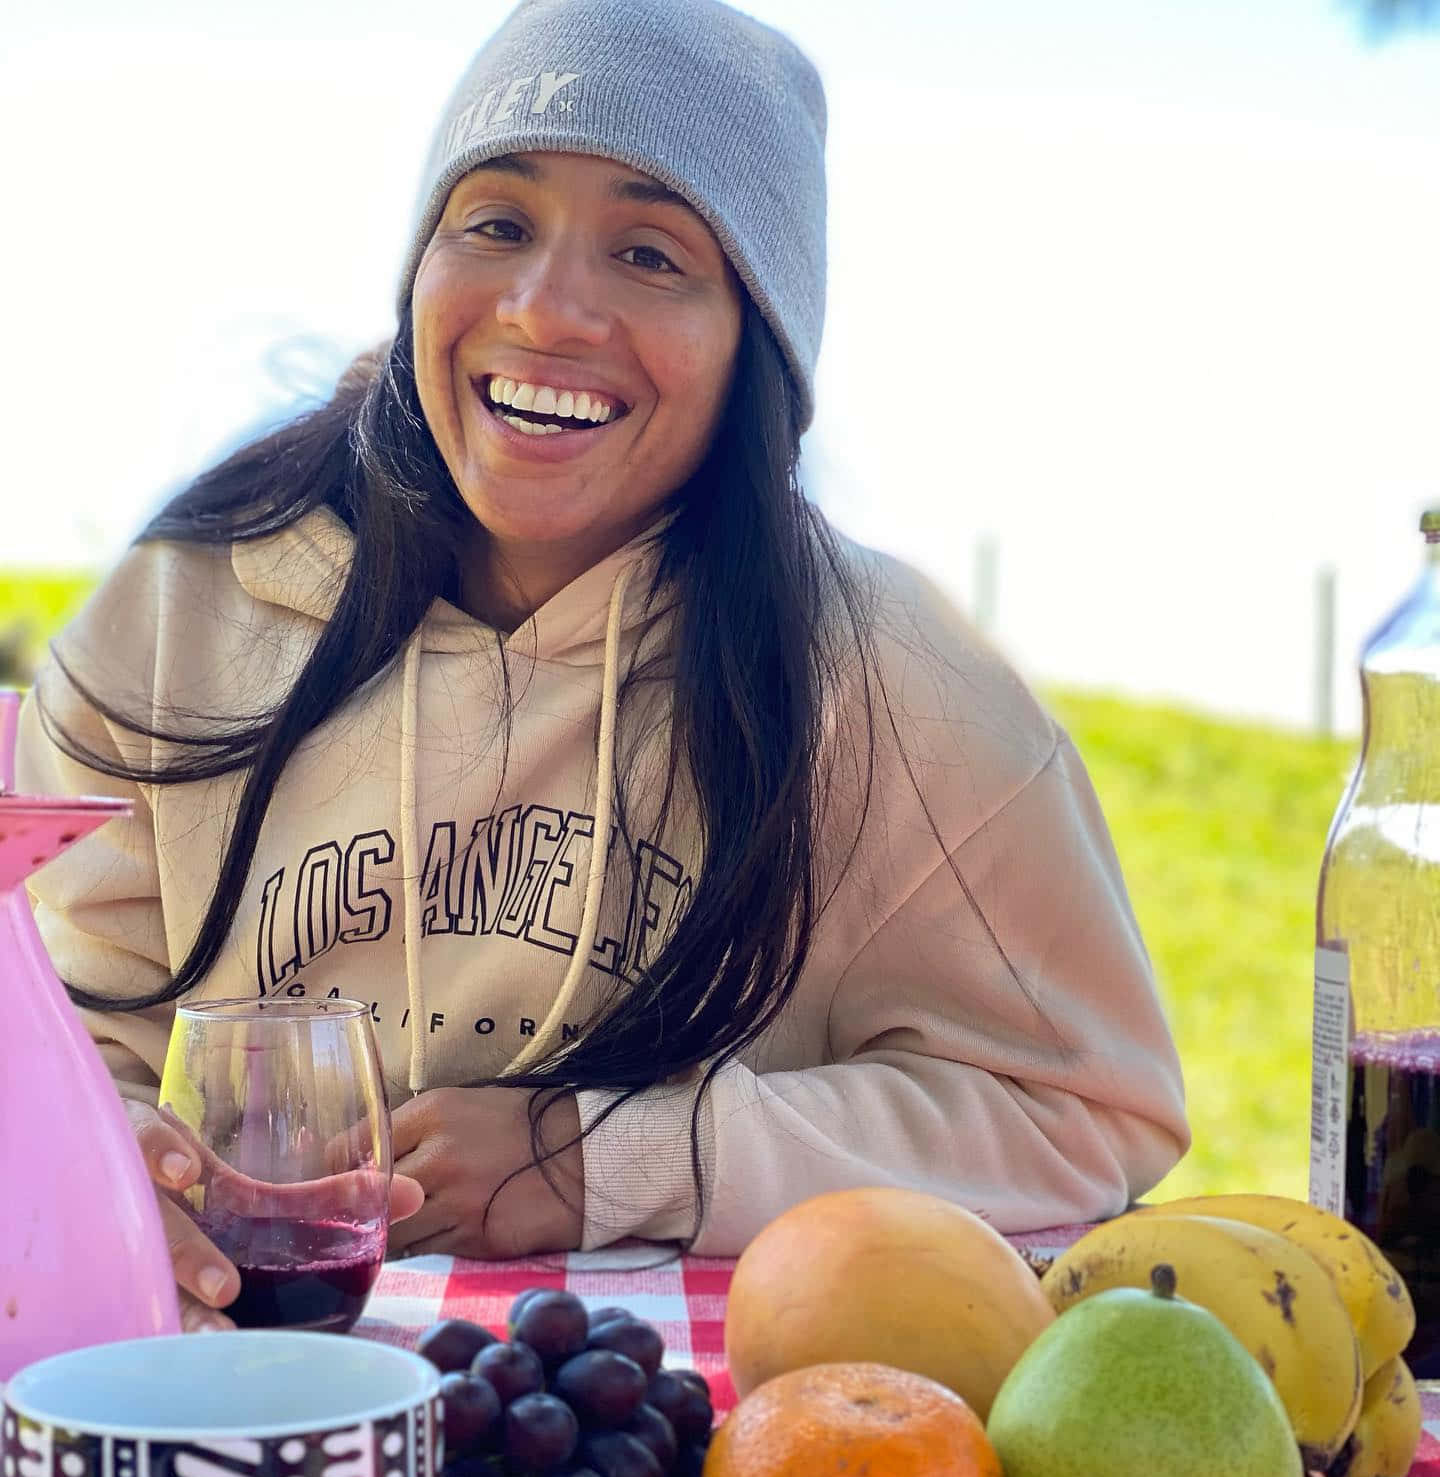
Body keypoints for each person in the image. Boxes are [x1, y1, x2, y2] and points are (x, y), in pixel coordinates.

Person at [16, 0, 1188, 1330]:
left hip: (686, 1451)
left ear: (757, 340)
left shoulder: (885, 679)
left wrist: (612, 1159)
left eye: (650, 252)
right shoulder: (185, 610)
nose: (545, 310)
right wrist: (129, 1164)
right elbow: (49, 1038)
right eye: (497, 224)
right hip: (245, 1414)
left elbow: (1087, 1113)